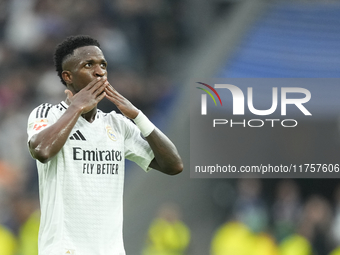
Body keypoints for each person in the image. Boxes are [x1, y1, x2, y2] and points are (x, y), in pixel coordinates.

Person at [27, 35, 183, 255]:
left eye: (103, 65)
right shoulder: (47, 114)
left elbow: (173, 165)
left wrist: (138, 116)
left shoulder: (118, 125)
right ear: (68, 76)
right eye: (88, 65)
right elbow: (42, 150)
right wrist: (76, 108)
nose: (99, 71)